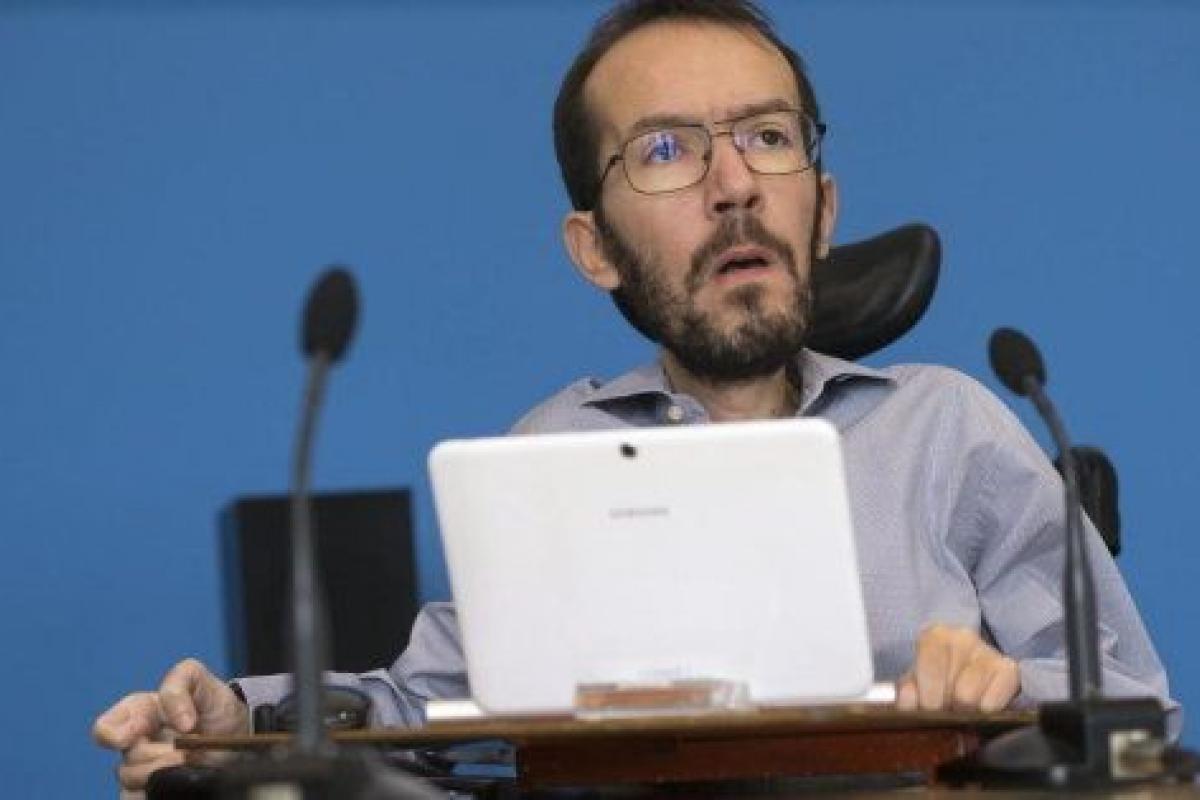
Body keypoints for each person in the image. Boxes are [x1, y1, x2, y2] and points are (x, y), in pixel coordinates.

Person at [93, 0, 1176, 791]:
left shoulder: (948, 427)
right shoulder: (555, 452)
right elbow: (430, 708)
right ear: (595, 249)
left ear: (824, 207)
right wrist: (237, 722)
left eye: (767, 136)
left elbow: (1136, 706)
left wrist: (1005, 691)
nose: (735, 184)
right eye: (666, 149)